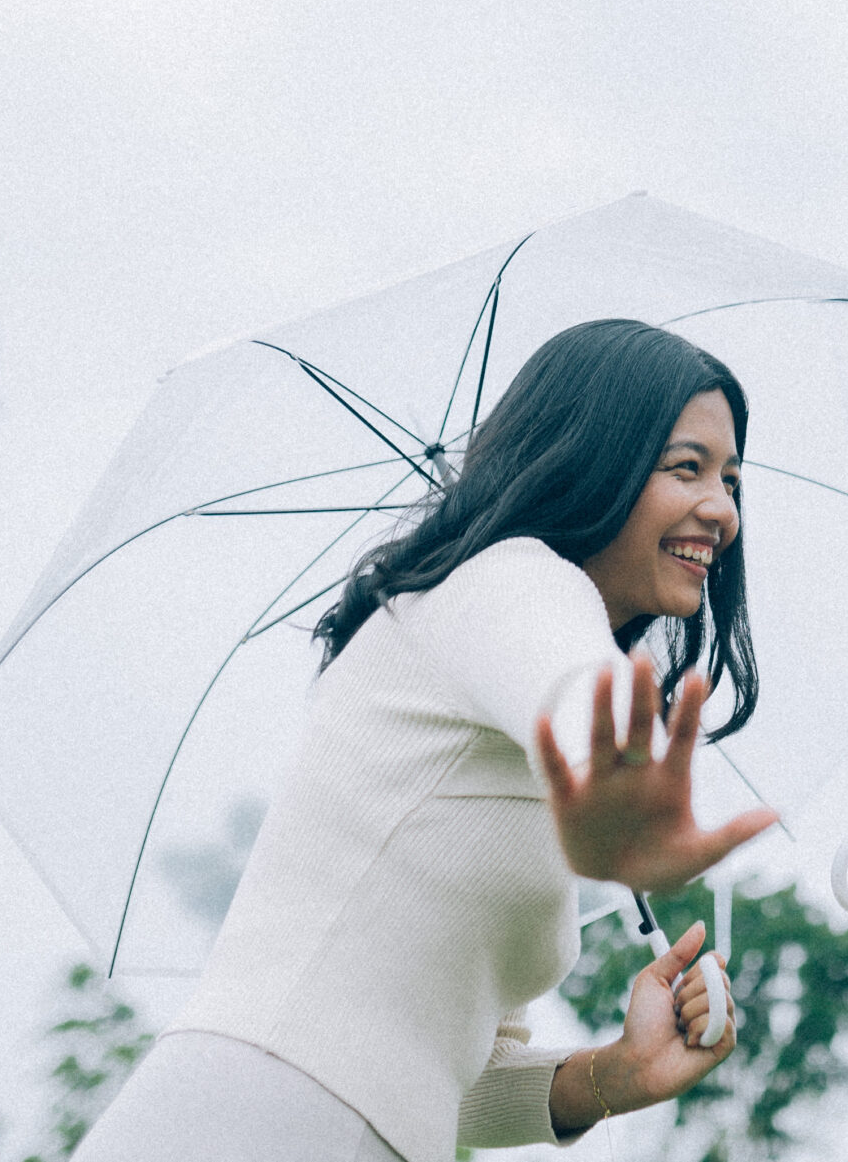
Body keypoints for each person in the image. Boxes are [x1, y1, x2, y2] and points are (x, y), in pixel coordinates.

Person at [75, 318, 768, 1162]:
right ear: (596, 460)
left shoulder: (511, 683)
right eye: (686, 467)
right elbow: (578, 701)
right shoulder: (513, 579)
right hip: (254, 1116)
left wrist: (615, 1075)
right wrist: (620, 798)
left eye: (731, 478)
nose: (722, 509)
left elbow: (451, 1078)